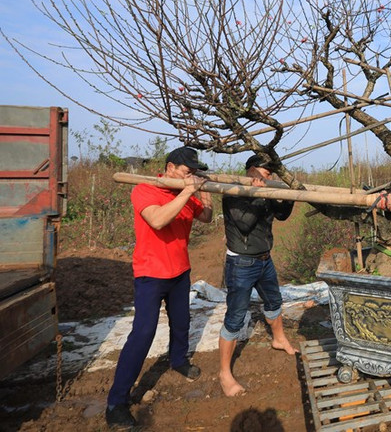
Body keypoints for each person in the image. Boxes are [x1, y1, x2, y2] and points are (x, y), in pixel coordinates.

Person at [106, 146, 213, 429]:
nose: (191, 176)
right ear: (170, 168)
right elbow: (157, 220)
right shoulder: (144, 190)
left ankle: (178, 360)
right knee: (143, 333)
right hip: (151, 274)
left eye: (195, 172)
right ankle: (116, 402)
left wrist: (206, 190)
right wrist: (188, 192)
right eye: (188, 171)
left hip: (180, 271)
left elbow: (207, 217)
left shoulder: (187, 194)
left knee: (182, 323)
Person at [219, 154, 296, 397]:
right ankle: (224, 373)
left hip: (264, 259)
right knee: (235, 317)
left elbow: (282, 214)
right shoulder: (233, 191)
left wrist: (290, 195)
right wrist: (259, 196)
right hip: (241, 262)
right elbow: (244, 224)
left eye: (271, 174)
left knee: (274, 301)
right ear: (252, 171)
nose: (269, 177)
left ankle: (279, 339)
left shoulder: (265, 190)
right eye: (266, 172)